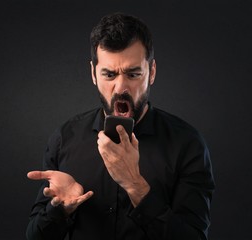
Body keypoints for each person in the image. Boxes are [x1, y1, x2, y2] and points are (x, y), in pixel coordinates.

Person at [26, 12, 215, 240]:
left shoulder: (187, 144)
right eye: (109, 74)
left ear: (151, 72)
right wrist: (60, 209)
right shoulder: (64, 138)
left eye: (133, 74)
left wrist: (135, 185)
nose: (120, 87)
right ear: (93, 74)